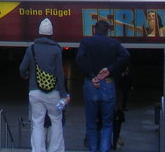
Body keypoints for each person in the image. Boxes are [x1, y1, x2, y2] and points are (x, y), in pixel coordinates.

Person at [76, 18, 129, 152]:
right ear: (108, 31)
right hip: (108, 84)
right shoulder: (114, 43)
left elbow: (79, 59)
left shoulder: (86, 42)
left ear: (94, 29)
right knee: (107, 123)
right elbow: (126, 55)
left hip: (91, 83)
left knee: (91, 123)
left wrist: (91, 75)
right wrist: (110, 69)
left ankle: (93, 149)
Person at [19, 18, 69, 152]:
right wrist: (64, 95)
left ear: (39, 32)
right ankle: (54, 149)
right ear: (52, 33)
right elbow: (60, 73)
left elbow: (22, 68)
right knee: (56, 120)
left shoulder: (32, 49)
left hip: (35, 92)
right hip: (53, 93)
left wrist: (26, 75)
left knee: (37, 123)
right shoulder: (57, 50)